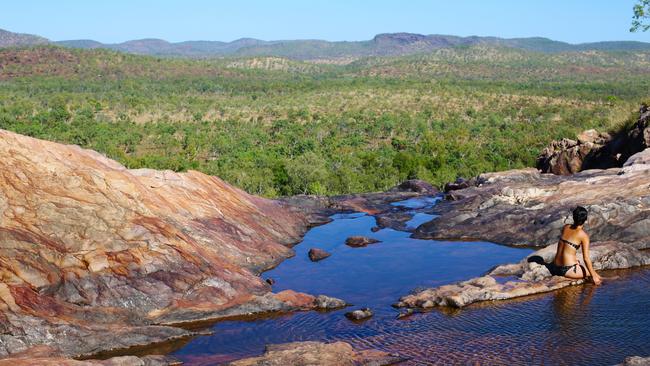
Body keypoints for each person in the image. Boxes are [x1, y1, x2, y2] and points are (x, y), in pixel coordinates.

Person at [547, 206, 602, 285]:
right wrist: (594, 276)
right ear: (585, 220)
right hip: (566, 270)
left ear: (573, 217)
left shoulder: (566, 227)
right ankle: (607, 280)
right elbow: (586, 258)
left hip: (555, 267)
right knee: (594, 274)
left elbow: (567, 248)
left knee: (582, 266)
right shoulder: (583, 236)